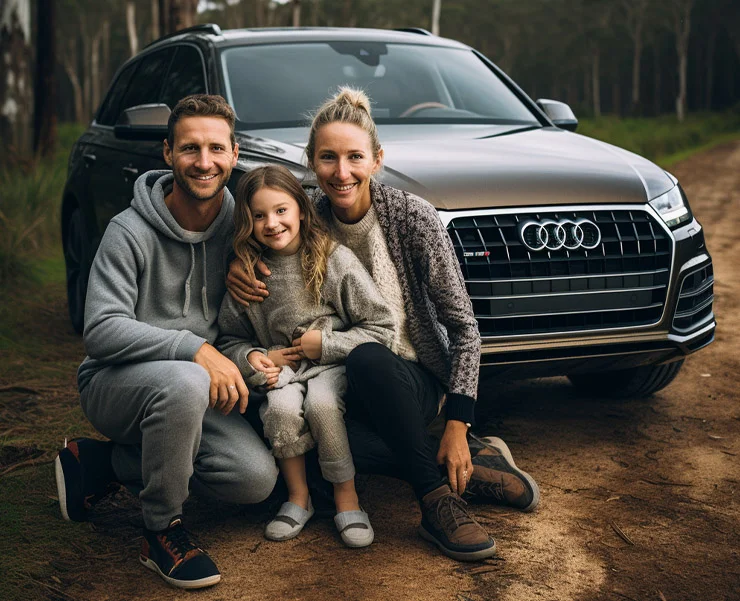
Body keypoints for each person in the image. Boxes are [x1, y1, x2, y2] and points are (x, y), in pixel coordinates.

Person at [226, 88, 540, 562]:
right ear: (311, 162)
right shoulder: (301, 217)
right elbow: (257, 224)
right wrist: (240, 261)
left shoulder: (412, 218)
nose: (342, 171)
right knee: (288, 423)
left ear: (376, 159)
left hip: (407, 376)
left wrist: (457, 423)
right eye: (327, 158)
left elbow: (463, 328)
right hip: (330, 382)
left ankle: (437, 501)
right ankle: (469, 468)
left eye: (355, 157)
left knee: (368, 360)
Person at [54, 94, 278, 589]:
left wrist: (246, 357)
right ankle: (161, 530)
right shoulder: (128, 231)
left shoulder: (242, 229)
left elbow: (234, 328)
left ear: (235, 154)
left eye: (216, 149)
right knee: (184, 381)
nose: (204, 162)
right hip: (116, 385)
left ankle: (100, 463)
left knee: (254, 479)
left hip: (197, 387)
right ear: (167, 154)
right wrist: (195, 350)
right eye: (189, 148)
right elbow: (102, 329)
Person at [218, 165, 396, 548]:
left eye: (281, 210)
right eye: (259, 215)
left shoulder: (334, 260)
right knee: (280, 411)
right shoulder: (249, 274)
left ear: (301, 208)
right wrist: (255, 357)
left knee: (322, 406)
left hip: (333, 365)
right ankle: (298, 498)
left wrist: (328, 344)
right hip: (284, 372)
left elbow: (381, 326)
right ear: (246, 221)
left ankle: (347, 498)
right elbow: (229, 337)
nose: (272, 223)